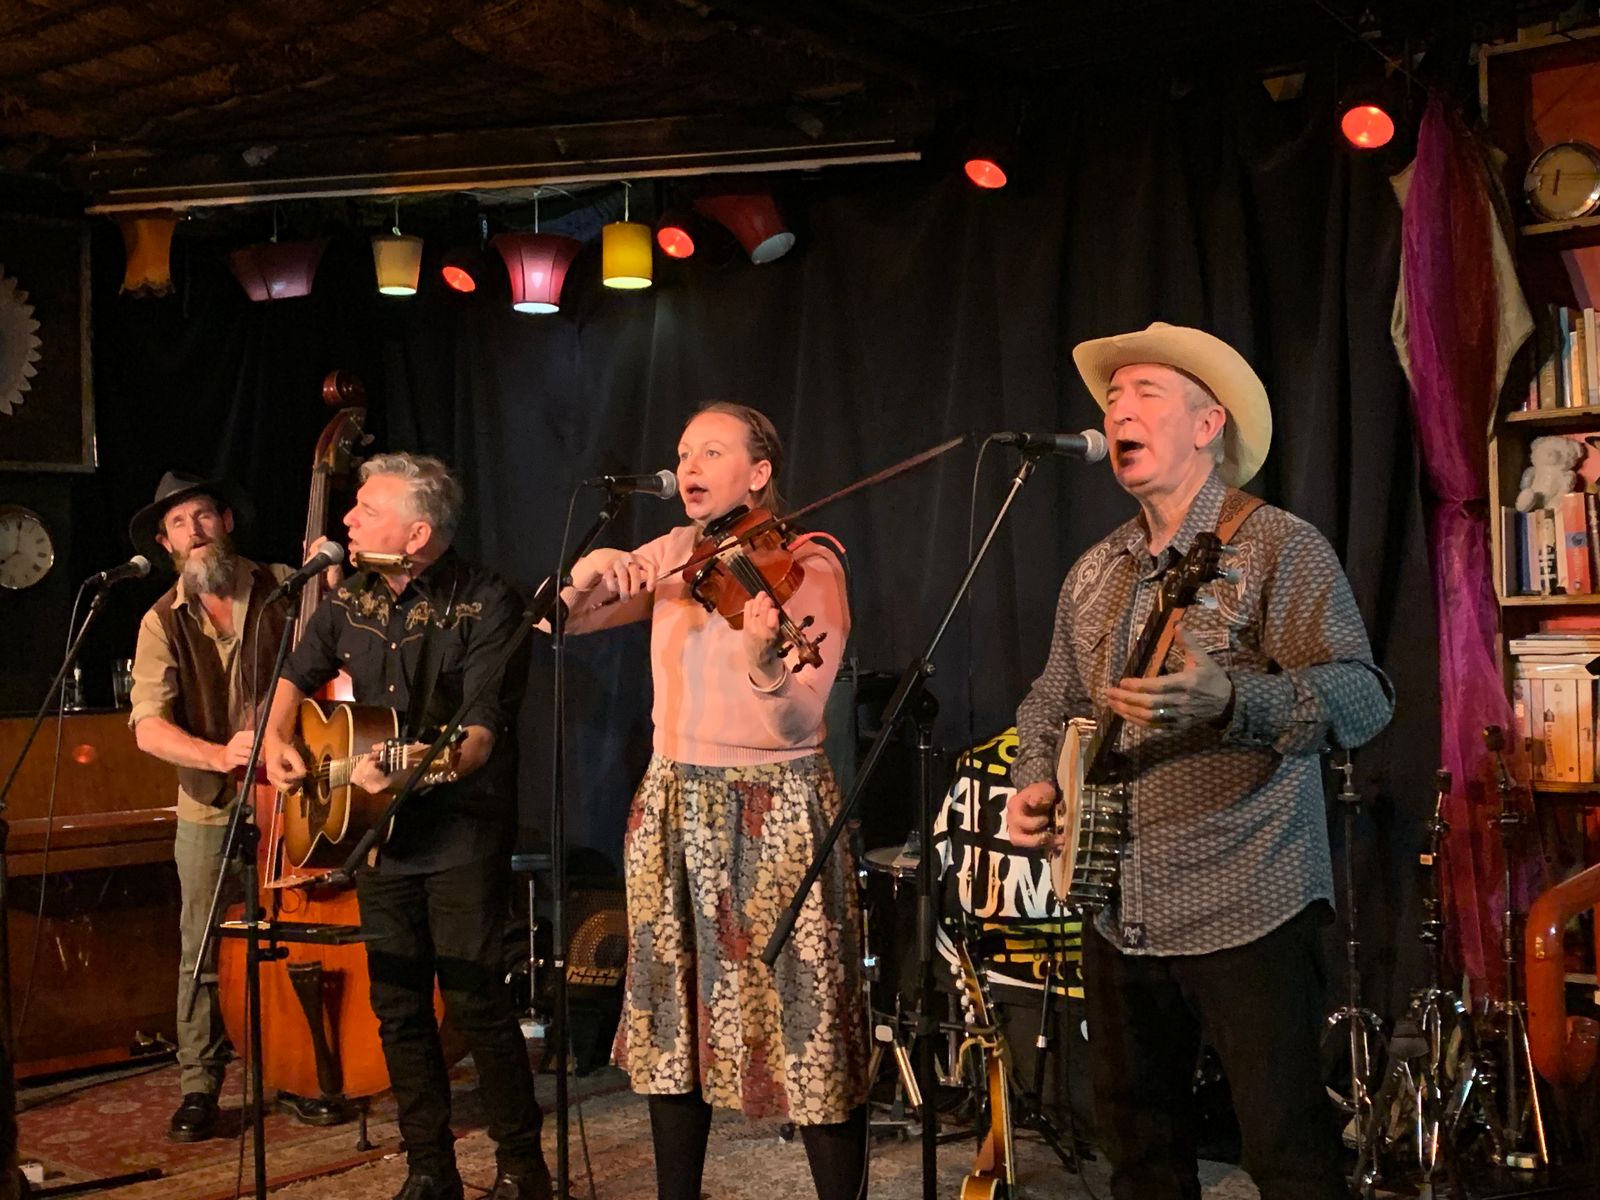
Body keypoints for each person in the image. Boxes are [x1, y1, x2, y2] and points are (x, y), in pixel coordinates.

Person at [1005, 323, 1395, 1200]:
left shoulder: (1280, 546)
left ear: (1208, 424)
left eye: (1145, 393)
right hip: (1118, 906)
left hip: (1247, 898)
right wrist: (1033, 778)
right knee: (1139, 1159)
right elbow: (1048, 700)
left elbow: (1365, 696)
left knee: (1289, 1159)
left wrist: (1233, 701)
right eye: (1113, 398)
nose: (1119, 411)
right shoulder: (1095, 571)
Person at [560, 403, 870, 1200]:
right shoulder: (674, 552)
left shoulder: (810, 564)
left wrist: (764, 658)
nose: (688, 466)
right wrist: (595, 565)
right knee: (674, 1012)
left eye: (710, 451)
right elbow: (567, 621)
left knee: (806, 1011)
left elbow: (798, 720)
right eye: (683, 452)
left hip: (777, 805)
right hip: (675, 798)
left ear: (759, 473)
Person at [261, 453, 548, 1200]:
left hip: (460, 829)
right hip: (375, 832)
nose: (348, 521)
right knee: (397, 1005)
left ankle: (522, 1167)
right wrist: (278, 740)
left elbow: (478, 738)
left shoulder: (489, 602)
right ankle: (429, 1169)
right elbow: (294, 674)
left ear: (417, 533)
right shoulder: (348, 597)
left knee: (476, 1001)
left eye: (367, 510)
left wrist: (423, 768)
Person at [127, 471, 348, 1142]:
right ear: (166, 544)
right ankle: (200, 1084)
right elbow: (147, 727)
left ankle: (300, 1072)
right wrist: (218, 754)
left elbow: (345, 655)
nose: (193, 531)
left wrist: (335, 586)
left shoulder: (288, 585)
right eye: (178, 524)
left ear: (225, 522)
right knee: (201, 944)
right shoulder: (161, 619)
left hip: (293, 794)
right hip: (208, 802)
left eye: (202, 516)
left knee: (292, 939)